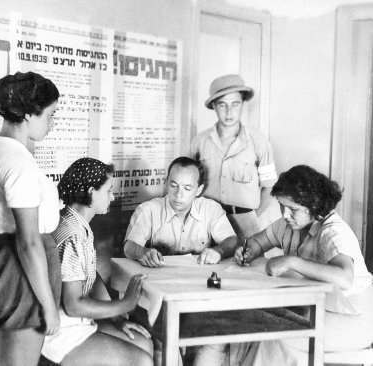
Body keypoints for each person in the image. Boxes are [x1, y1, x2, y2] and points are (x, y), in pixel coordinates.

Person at [233, 165, 373, 365]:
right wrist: (249, 250)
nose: (285, 214)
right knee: (257, 322)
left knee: (275, 337)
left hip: (352, 320)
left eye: (293, 209)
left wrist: (292, 261)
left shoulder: (334, 232)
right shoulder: (288, 224)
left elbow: (344, 278)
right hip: (318, 309)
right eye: (282, 206)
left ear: (314, 205)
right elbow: (258, 241)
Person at [0, 71, 61, 366]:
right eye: (49, 115)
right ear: (26, 114)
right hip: (23, 271)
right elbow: (28, 242)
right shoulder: (17, 162)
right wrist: (48, 306)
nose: (52, 123)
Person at [41, 157, 153, 366]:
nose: (112, 196)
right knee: (141, 361)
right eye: (109, 190)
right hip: (61, 333)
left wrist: (117, 318)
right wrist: (124, 305)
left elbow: (92, 277)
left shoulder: (76, 223)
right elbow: (73, 305)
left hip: (79, 323)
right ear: (92, 191)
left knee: (144, 343)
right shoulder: (71, 235)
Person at [190, 74, 278, 239]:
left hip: (248, 223)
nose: (229, 112)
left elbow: (269, 187)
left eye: (235, 104)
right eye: (222, 105)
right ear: (214, 107)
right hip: (210, 223)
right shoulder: (199, 142)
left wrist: (254, 216)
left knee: (247, 263)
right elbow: (188, 183)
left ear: (243, 105)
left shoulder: (259, 142)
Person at [124, 156, 238, 267]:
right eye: (174, 186)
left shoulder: (211, 209)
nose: (178, 195)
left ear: (199, 190)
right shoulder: (148, 210)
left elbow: (231, 240)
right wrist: (142, 252)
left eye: (187, 188)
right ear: (166, 183)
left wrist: (219, 251)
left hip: (198, 279)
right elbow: (129, 247)